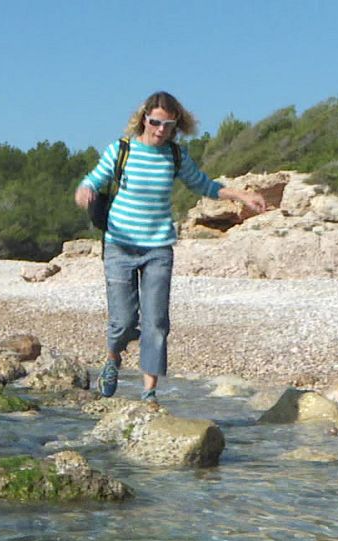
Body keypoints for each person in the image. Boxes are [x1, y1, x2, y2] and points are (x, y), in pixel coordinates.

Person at [73, 91, 268, 402]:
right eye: (156, 122)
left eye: (169, 125)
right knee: (123, 321)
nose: (161, 130)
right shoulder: (121, 150)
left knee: (156, 322)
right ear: (144, 119)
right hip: (119, 247)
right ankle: (113, 358)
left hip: (158, 249)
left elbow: (205, 185)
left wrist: (242, 195)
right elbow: (93, 180)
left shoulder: (175, 156)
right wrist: (85, 191)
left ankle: (149, 393)